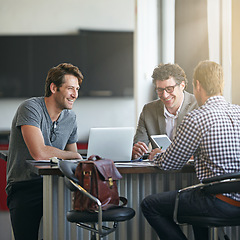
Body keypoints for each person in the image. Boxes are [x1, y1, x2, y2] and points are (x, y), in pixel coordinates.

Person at [141, 60, 240, 240]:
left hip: (216, 201)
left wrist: (158, 155)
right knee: (195, 196)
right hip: (236, 202)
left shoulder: (196, 117)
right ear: (221, 85)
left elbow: (170, 164)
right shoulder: (238, 113)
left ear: (197, 85)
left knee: (150, 205)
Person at [6, 63, 83, 240]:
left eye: (77, 89)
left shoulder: (70, 117)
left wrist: (76, 158)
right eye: (70, 88)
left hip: (56, 185)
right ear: (54, 88)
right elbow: (39, 153)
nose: (75, 94)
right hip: (25, 187)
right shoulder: (30, 108)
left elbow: (72, 160)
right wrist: (74, 156)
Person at [132, 63, 198, 159]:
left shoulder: (198, 106)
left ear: (182, 85)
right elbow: (138, 148)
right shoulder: (149, 110)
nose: (165, 95)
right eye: (160, 90)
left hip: (189, 171)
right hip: (159, 171)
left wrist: (166, 154)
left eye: (169, 89)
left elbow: (203, 153)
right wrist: (136, 152)